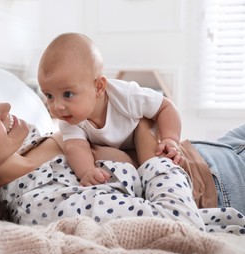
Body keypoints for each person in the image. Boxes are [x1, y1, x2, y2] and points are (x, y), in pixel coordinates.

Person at [0, 77, 245, 234]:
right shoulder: (44, 205)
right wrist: (151, 155)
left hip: (211, 146)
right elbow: (177, 222)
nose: (4, 106)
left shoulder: (25, 139)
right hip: (220, 183)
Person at [37, 33, 183, 186]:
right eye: (49, 95)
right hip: (124, 154)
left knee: (147, 138)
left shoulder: (126, 96)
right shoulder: (69, 118)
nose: (57, 106)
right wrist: (87, 171)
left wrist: (170, 139)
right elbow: (75, 147)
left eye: (67, 94)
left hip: (144, 140)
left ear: (99, 87)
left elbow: (166, 107)